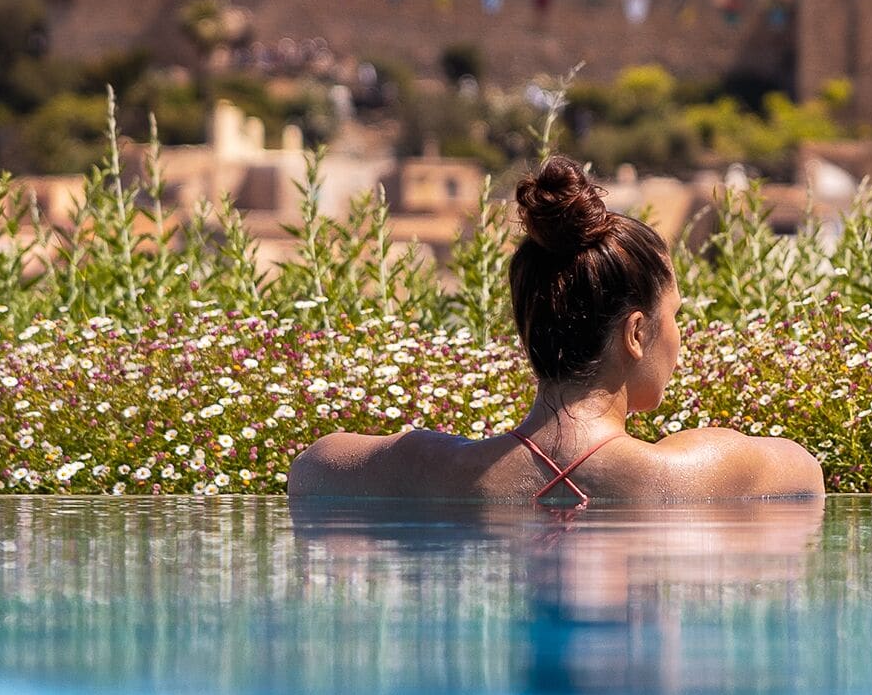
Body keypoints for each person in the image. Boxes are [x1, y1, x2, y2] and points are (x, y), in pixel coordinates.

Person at [286, 155, 825, 507]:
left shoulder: (434, 470)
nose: (681, 336)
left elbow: (311, 468)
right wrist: (694, 444)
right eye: (676, 316)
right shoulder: (687, 474)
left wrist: (434, 452)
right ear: (636, 333)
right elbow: (806, 473)